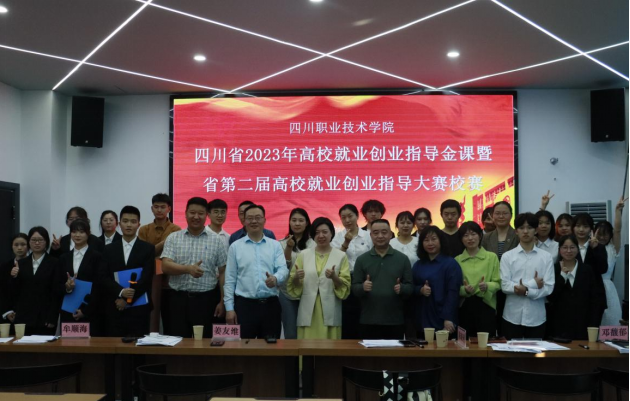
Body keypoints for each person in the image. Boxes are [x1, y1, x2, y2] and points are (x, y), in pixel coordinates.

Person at [161, 198, 227, 338]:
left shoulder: (217, 240)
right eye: (192, 212)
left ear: (206, 215)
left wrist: (222, 301)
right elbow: (165, 266)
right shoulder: (173, 238)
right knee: (178, 341)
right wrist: (188, 269)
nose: (196, 217)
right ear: (185, 213)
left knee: (206, 342)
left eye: (200, 213)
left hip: (206, 301)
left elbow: (223, 272)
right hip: (178, 299)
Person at [224, 204, 287, 339]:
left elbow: (283, 269)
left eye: (258, 218)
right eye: (250, 218)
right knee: (244, 347)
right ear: (244, 221)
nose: (254, 221)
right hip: (244, 307)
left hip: (270, 306)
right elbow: (230, 280)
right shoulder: (235, 247)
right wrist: (229, 309)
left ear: (264, 220)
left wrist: (275, 278)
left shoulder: (275, 245)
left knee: (271, 346)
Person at [287, 217, 350, 339]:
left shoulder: (341, 256)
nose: (321, 235)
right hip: (307, 310)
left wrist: (334, 277)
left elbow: (345, 286)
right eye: (317, 232)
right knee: (307, 346)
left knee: (330, 347)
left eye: (325, 232)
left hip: (331, 308)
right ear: (312, 235)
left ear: (331, 233)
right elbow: (293, 286)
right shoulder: (303, 255)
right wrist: (296, 277)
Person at [352, 219, 413, 340]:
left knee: (394, 352)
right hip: (369, 319)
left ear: (390, 234)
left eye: (384, 232)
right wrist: (362, 287)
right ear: (371, 235)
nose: (380, 236)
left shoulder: (402, 259)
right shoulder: (362, 260)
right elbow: (354, 288)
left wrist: (402, 288)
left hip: (395, 320)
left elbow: (410, 287)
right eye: (376, 233)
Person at [102, 206, 155, 337]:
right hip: (115, 305)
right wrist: (121, 292)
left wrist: (127, 300)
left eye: (133, 221)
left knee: (138, 345)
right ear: (119, 224)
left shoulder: (148, 249)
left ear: (139, 225)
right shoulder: (108, 249)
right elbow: (104, 277)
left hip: (139, 307)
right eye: (125, 221)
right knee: (113, 345)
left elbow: (146, 278)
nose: (129, 225)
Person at [500, 213, 554, 340]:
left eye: (529, 228)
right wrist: (533, 284)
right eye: (521, 228)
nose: (525, 231)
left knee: (536, 352)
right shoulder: (507, 256)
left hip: (536, 317)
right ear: (516, 231)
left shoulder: (546, 257)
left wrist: (526, 291)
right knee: (510, 352)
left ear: (536, 230)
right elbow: (505, 285)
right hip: (512, 316)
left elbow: (548, 288)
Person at [137, 193, 181, 334]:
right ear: (152, 209)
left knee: (170, 320)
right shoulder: (144, 230)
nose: (159, 210)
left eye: (163, 207)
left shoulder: (176, 230)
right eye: (156, 207)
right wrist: (164, 243)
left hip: (170, 283)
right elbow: (143, 255)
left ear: (169, 209)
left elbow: (174, 256)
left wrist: (154, 252)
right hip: (147, 281)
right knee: (148, 319)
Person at [548, 234, 606, 340]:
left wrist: (593, 325)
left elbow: (595, 300)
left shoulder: (587, 270)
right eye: (565, 247)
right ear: (559, 250)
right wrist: (562, 277)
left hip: (583, 324)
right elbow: (550, 297)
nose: (568, 251)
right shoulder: (553, 269)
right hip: (558, 326)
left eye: (572, 247)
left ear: (577, 249)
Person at [331, 204, 372, 339]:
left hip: (365, 280)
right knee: (348, 316)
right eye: (343, 217)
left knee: (365, 314)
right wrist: (346, 243)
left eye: (350, 216)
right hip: (345, 280)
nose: (347, 220)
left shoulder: (368, 236)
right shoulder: (337, 238)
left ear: (357, 216)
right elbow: (335, 260)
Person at [57, 219, 106, 335]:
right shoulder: (64, 258)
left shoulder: (97, 257)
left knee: (89, 344)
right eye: (74, 232)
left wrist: (86, 310)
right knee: (69, 344)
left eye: (81, 232)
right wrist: (67, 287)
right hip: (68, 311)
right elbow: (56, 284)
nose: (77, 235)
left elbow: (99, 286)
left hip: (91, 311)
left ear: (88, 234)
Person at [412, 226, 462, 337]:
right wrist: (420, 290)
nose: (430, 243)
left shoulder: (451, 264)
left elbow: (453, 293)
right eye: (426, 240)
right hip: (422, 318)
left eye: (434, 239)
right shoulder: (418, 265)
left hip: (443, 319)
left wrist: (448, 318)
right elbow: (411, 287)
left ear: (441, 241)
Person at [9, 227, 59, 335]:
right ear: (29, 242)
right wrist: (14, 276)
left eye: (40, 240)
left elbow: (56, 292)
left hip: (45, 317)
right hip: (23, 317)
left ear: (46, 242)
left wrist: (52, 317)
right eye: (33, 240)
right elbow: (15, 291)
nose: (37, 243)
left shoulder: (55, 263)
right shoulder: (21, 263)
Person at [455, 222, 501, 338]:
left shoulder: (491, 257)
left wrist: (487, 286)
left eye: (473, 234)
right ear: (461, 239)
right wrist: (464, 289)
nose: (470, 238)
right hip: (465, 306)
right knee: (465, 343)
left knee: (486, 343)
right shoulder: (457, 260)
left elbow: (498, 283)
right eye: (466, 235)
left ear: (480, 236)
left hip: (486, 305)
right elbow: (453, 287)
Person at [279, 208, 315, 339]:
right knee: (291, 333)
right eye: (294, 220)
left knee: (308, 332)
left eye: (301, 220)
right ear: (289, 222)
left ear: (307, 223)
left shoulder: (314, 243)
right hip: (287, 294)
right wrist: (289, 248)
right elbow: (284, 267)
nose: (297, 223)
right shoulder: (281, 243)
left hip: (309, 293)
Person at [594, 196, 626, 326]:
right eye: (599, 234)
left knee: (611, 322)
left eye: (605, 234)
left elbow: (617, 230)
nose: (602, 237)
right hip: (592, 288)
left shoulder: (612, 249)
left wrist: (618, 210)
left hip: (608, 289)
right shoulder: (590, 248)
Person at [1, 233, 28, 325]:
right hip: (9, 313)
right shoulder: (5, 267)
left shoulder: (33, 265)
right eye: (16, 245)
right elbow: (2, 291)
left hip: (29, 312)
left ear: (28, 246)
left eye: (23, 244)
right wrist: (7, 311)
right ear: (12, 246)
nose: (19, 248)